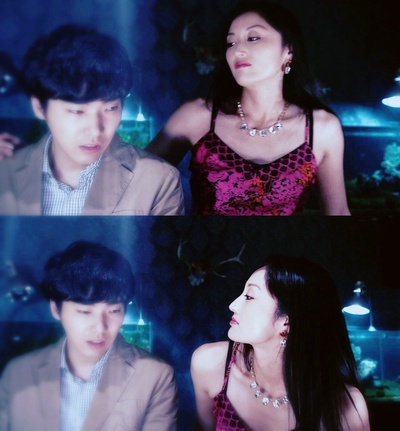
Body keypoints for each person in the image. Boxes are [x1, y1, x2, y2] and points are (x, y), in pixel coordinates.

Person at [146, 0, 350, 215]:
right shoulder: (197, 116)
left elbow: (338, 213)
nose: (238, 50)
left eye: (253, 38)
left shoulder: (322, 128)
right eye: (231, 43)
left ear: (288, 51)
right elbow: (135, 181)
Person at [0, 24, 184, 215]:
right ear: (40, 108)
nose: (96, 130)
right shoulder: (5, 174)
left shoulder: (159, 181)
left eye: (111, 108)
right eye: (77, 111)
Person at [0, 240, 178, 431]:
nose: (100, 328)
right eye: (85, 312)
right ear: (56, 309)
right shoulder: (18, 374)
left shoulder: (155, 376)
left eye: (114, 311)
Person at [191, 255, 370, 430]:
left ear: (286, 322)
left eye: (249, 297)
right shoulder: (211, 364)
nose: (233, 305)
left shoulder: (347, 408)